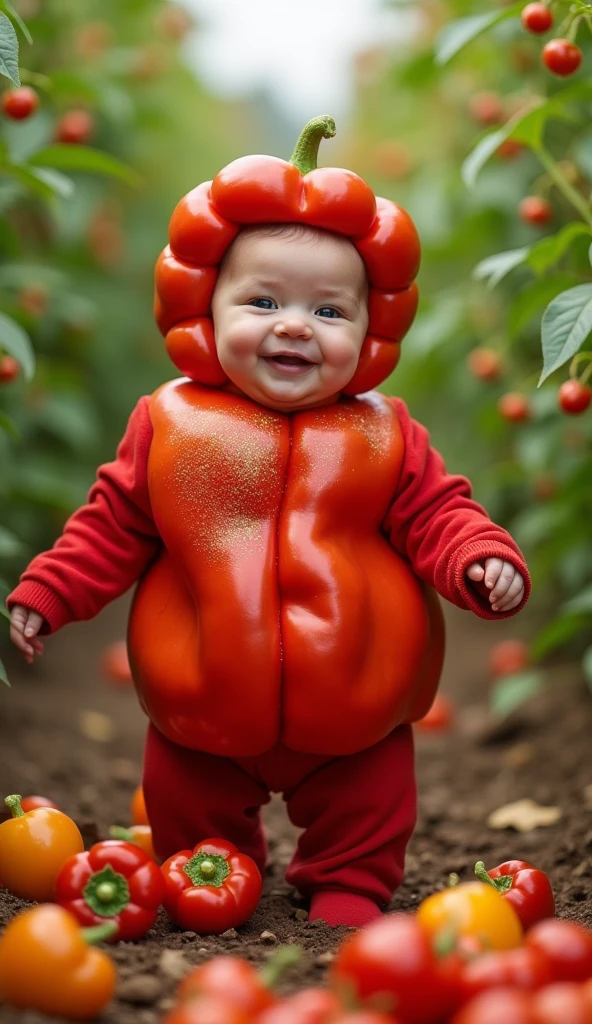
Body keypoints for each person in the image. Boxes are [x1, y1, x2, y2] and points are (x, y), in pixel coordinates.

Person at [7, 117, 529, 928]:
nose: (294, 325)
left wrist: (476, 559)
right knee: (187, 793)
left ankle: (349, 885)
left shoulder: (384, 432)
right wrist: (52, 590)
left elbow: (438, 512)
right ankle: (211, 869)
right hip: (203, 687)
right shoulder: (171, 424)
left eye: (329, 310)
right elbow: (112, 522)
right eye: (262, 301)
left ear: (369, 334)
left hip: (356, 693)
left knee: (370, 797)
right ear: (205, 310)